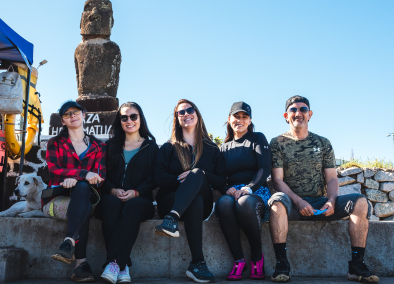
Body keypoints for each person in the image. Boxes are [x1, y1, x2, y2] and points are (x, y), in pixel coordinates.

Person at [268, 95, 379, 283]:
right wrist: (299, 201)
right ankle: (282, 265)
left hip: (319, 203)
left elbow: (332, 179)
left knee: (360, 202)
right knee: (276, 202)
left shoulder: (323, 143)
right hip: (291, 205)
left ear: (310, 114)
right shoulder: (277, 143)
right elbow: (278, 181)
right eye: (293, 110)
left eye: (303, 109)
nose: (298, 113)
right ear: (286, 115)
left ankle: (357, 265)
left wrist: (332, 200)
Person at [153, 99, 226, 283]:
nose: (186, 114)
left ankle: (172, 220)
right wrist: (181, 180)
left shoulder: (211, 148)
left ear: (197, 114)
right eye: (181, 113)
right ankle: (197, 263)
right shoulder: (168, 147)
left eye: (189, 110)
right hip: (170, 200)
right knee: (194, 201)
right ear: (177, 119)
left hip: (203, 203)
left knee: (197, 182)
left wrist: (199, 175)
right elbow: (157, 177)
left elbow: (220, 180)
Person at [45, 101, 106, 283]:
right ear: (62, 121)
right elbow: (54, 170)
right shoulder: (54, 143)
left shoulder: (99, 146)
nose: (72, 116)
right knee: (83, 196)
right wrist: (83, 174)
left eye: (76, 112)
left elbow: (100, 176)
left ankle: (69, 242)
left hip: (87, 195)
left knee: (82, 190)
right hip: (58, 196)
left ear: (84, 115)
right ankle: (81, 264)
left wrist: (79, 179)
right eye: (67, 114)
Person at [97, 102, 159, 283]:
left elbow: (154, 178)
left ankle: (114, 262)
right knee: (110, 204)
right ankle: (122, 266)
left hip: (141, 201)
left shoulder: (151, 147)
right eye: (124, 117)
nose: (129, 121)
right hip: (111, 197)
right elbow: (102, 175)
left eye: (133, 116)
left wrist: (137, 192)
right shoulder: (109, 146)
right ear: (120, 121)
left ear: (140, 119)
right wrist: (113, 190)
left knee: (131, 206)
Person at [217, 101, 272, 280]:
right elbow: (219, 177)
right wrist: (226, 189)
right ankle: (239, 260)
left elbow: (264, 169)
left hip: (256, 191)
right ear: (229, 119)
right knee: (223, 203)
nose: (240, 120)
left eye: (244, 117)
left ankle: (257, 256)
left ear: (249, 121)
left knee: (244, 202)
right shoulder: (223, 148)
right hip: (233, 192)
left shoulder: (257, 138)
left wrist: (249, 188)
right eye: (236, 116)